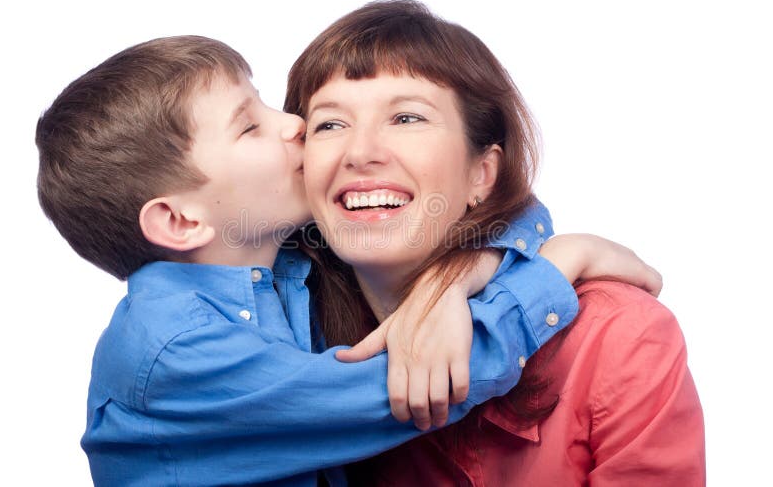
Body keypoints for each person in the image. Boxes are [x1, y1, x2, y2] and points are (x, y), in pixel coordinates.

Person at [36, 36, 659, 486]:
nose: (296, 127)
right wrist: (562, 263)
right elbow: (414, 389)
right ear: (180, 221)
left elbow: (490, 207)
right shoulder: (173, 350)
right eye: (250, 127)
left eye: (407, 118)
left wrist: (460, 275)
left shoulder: (285, 268)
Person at [283, 0, 705, 485]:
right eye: (330, 124)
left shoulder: (617, 336)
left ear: (482, 173)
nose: (359, 153)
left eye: (406, 118)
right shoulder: (281, 333)